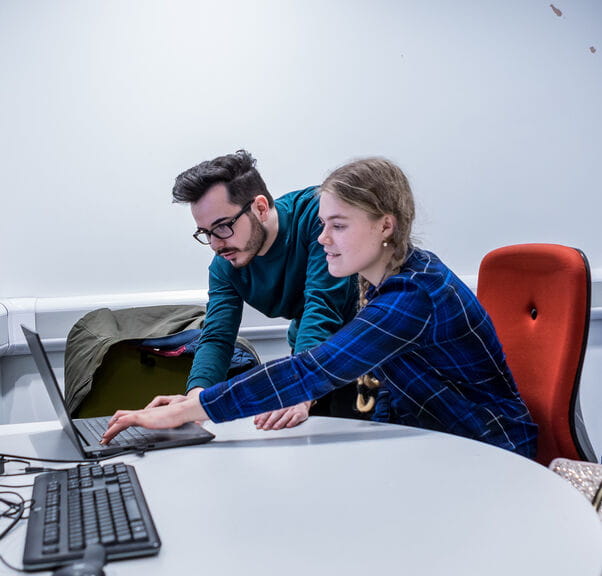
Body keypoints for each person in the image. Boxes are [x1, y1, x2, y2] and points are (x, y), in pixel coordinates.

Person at [102, 157, 538, 457]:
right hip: (428, 432)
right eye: (324, 225)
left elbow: (315, 364)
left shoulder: (413, 294)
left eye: (337, 226)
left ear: (386, 225)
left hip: (488, 446)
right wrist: (197, 398)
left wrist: (185, 410)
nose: (323, 238)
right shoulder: (381, 281)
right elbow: (384, 382)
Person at [166, 150, 359, 430]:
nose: (215, 245)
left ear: (260, 207)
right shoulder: (225, 265)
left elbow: (322, 305)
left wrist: (300, 387)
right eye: (205, 233)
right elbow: (217, 336)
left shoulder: (317, 218)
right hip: (310, 353)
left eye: (222, 227)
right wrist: (195, 401)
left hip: (369, 342)